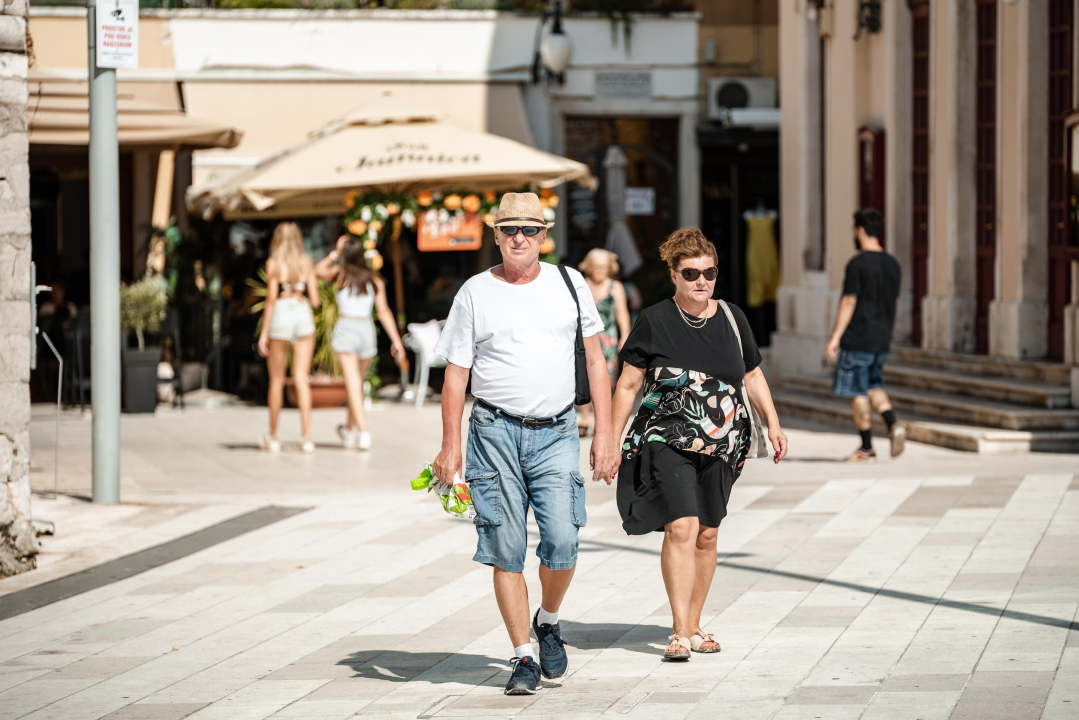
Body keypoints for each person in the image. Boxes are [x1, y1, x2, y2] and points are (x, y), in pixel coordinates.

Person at [432, 192, 616, 695]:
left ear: (543, 235)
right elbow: (456, 375)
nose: (519, 238)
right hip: (493, 432)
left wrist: (605, 432)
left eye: (529, 230)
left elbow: (596, 361)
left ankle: (549, 620)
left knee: (562, 538)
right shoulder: (474, 292)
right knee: (506, 546)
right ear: (495, 234)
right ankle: (522, 657)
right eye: (510, 229)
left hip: (556, 430)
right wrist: (450, 447)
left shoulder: (569, 283)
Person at [609, 227, 789, 662]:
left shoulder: (732, 317)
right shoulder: (654, 320)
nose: (701, 281)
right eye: (690, 273)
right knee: (683, 526)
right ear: (673, 274)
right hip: (666, 437)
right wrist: (609, 442)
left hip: (725, 442)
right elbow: (629, 384)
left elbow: (752, 375)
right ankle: (677, 631)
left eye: (708, 273)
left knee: (707, 534)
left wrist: (774, 423)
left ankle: (694, 624)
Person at [825, 208, 905, 461]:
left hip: (858, 337)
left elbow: (849, 301)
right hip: (881, 338)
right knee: (874, 385)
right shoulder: (893, 264)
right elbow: (894, 301)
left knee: (858, 391)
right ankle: (893, 424)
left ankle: (867, 447)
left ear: (860, 230)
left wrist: (836, 336)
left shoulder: (857, 263)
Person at [315, 235, 406, 450]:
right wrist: (396, 340)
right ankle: (349, 430)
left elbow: (318, 270)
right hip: (366, 331)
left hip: (346, 329)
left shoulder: (340, 274)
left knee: (353, 384)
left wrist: (334, 253)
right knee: (355, 384)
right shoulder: (374, 280)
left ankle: (363, 432)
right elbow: (383, 311)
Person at [257, 222, 320, 453]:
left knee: (276, 379)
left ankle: (273, 437)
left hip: (282, 312)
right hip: (302, 312)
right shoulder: (306, 262)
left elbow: (271, 299)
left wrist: (264, 333)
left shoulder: (273, 264)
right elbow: (315, 301)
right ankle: (306, 438)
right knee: (301, 378)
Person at [576, 249, 631, 437]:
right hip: (586, 339)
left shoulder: (616, 286)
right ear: (589, 267)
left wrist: (625, 336)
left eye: (604, 267)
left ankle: (603, 420)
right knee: (584, 378)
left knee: (607, 380)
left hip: (608, 340)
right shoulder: (581, 285)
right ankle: (585, 417)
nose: (600, 271)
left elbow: (622, 313)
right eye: (596, 267)